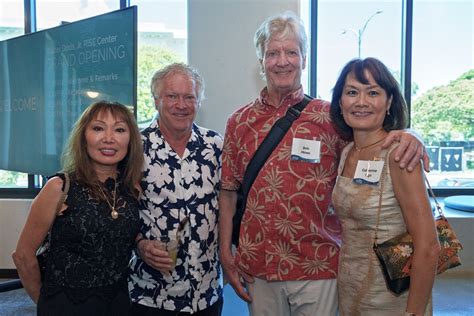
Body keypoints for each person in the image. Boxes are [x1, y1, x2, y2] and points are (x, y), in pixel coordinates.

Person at [218, 12, 429, 316]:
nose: (282, 61)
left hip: (319, 265)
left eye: (292, 52)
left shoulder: (332, 118)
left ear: (304, 59)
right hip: (259, 265)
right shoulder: (239, 122)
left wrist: (411, 133)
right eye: (272, 53)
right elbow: (228, 191)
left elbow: (374, 138)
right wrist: (226, 252)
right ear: (261, 61)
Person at [330, 57, 440, 315]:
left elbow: (428, 245)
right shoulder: (346, 153)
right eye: (352, 92)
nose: (361, 102)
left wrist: (413, 313)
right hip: (350, 289)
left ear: (389, 102)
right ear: (340, 101)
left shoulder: (399, 156)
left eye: (373, 92)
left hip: (394, 297)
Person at [12, 101, 144, 315]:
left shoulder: (132, 189)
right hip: (66, 306)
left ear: (130, 140)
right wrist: (45, 303)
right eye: (98, 128)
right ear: (84, 137)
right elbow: (23, 256)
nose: (109, 138)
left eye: (119, 129)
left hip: (118, 304)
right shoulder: (59, 187)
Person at [128, 63, 224, 315]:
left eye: (189, 97)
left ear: (199, 101)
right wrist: (139, 244)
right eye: (172, 96)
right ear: (156, 100)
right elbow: (117, 209)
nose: (181, 105)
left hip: (207, 291)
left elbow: (229, 202)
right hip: (152, 294)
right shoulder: (134, 147)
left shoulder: (215, 145)